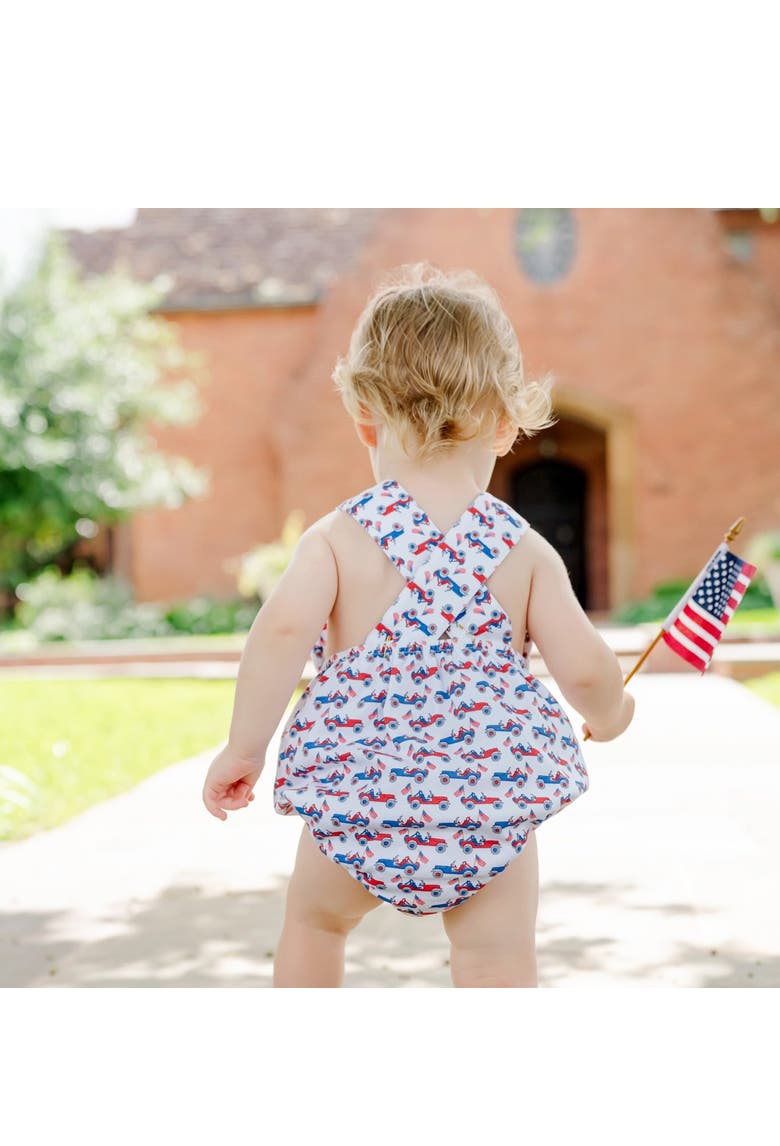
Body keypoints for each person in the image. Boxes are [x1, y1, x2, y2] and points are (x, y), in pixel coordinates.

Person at [201, 262, 634, 988]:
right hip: (484, 802)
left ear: (363, 420)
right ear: (504, 426)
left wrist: (245, 747)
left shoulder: (338, 539)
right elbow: (585, 669)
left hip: (357, 796)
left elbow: (277, 636)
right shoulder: (523, 550)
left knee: (314, 923)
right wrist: (613, 712)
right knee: (496, 954)